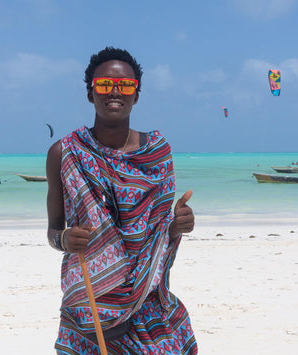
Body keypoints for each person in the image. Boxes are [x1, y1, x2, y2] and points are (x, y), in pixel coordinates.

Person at [46, 46, 198, 354]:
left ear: (136, 95)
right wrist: (65, 238)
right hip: (90, 300)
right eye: (104, 84)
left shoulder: (157, 152)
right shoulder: (64, 153)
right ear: (91, 93)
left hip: (147, 297)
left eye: (125, 85)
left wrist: (179, 223)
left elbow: (159, 233)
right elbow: (53, 231)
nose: (115, 91)